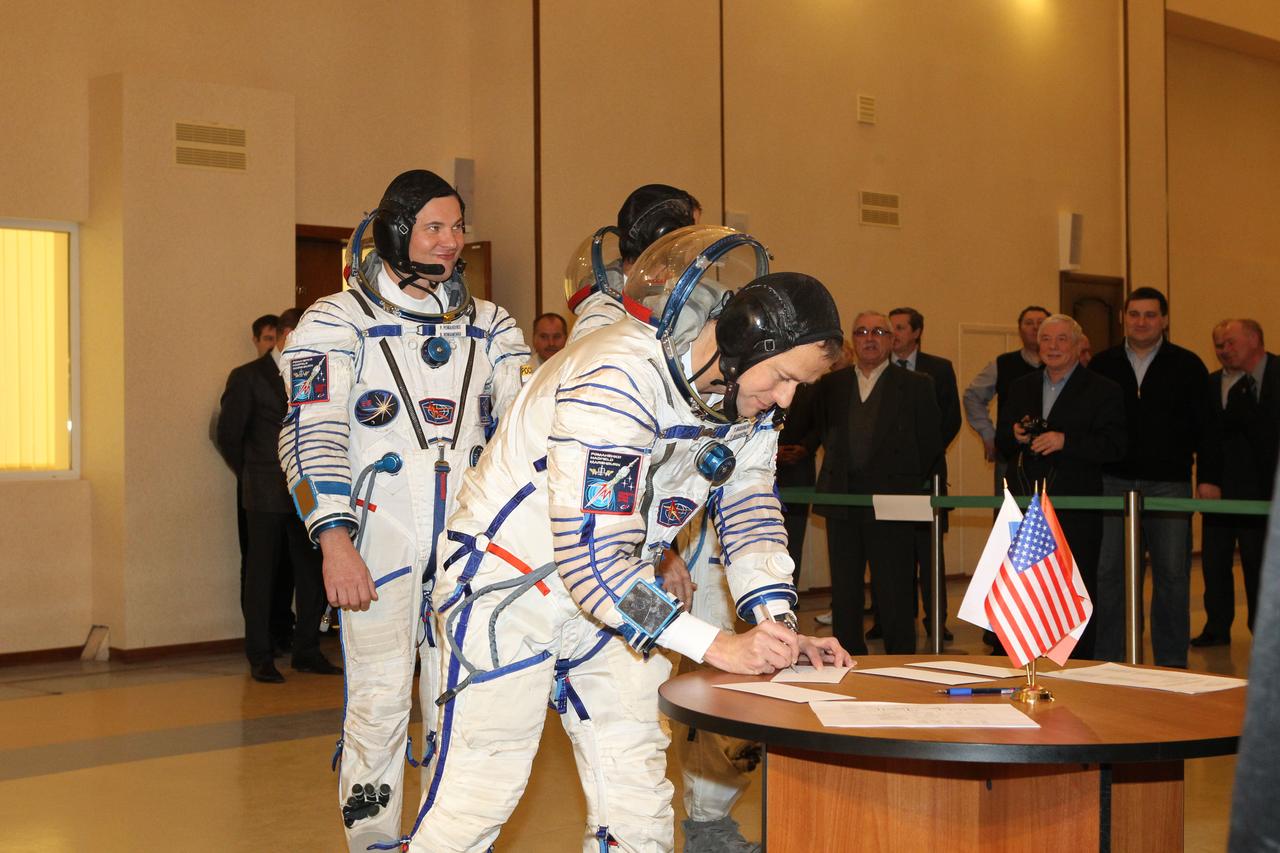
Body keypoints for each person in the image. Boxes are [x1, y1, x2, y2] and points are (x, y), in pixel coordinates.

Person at [409, 226, 852, 853]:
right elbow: (592, 567)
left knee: (638, 800)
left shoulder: (748, 406)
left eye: (798, 388)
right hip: (507, 592)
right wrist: (717, 645)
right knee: (479, 794)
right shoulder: (617, 375)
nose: (784, 398)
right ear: (741, 343)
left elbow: (751, 513)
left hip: (621, 598)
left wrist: (775, 623)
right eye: (781, 377)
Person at [277, 170, 530, 852]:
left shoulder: (492, 327)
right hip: (377, 548)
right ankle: (374, 839)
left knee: (462, 705)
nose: (454, 242)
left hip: (468, 556)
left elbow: (528, 432)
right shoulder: (337, 321)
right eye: (436, 228)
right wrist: (335, 539)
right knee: (379, 704)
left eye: (458, 227)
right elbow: (311, 434)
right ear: (396, 233)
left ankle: (446, 839)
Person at [1089, 288, 1209, 667]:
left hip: (1169, 482)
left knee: (1172, 574)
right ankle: (1109, 660)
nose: (1142, 321)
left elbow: (1208, 429)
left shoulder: (1188, 365)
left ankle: (1172, 664)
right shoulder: (1103, 364)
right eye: (1135, 314)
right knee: (1110, 575)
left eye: (1151, 315)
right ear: (1124, 317)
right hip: (1112, 482)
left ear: (1165, 320)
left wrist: (1208, 477)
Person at [812, 311, 943, 656]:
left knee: (895, 588)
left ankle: (901, 662)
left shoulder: (917, 385)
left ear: (891, 340)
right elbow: (823, 435)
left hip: (894, 504)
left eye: (879, 332)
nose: (870, 338)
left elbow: (931, 442)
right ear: (853, 340)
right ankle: (846, 655)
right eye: (862, 332)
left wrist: (903, 485)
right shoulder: (831, 385)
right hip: (843, 502)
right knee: (845, 589)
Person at [217, 308, 337, 683]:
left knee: (311, 572)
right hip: (266, 490)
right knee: (262, 575)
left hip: (305, 492)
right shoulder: (247, 377)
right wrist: (253, 473)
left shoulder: (312, 372)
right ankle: (260, 654)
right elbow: (229, 437)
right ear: (286, 334)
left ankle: (306, 650)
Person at [996, 314, 1126, 659]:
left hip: (1076, 507)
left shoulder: (1104, 389)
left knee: (1073, 587)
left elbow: (1115, 446)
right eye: (1046, 340)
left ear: (1079, 345)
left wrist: (1066, 441)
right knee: (1024, 587)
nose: (1053, 347)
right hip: (1026, 505)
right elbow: (1000, 443)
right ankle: (1024, 655)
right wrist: (1015, 435)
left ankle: (1078, 659)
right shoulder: (1021, 386)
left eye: (1062, 340)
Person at [1195, 319, 1280, 646]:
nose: (1223, 350)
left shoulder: (1275, 375)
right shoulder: (1212, 383)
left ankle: (1265, 632)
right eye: (1218, 345)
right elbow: (1206, 438)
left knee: (1260, 562)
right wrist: (1206, 479)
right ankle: (1217, 627)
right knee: (1215, 562)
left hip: (1265, 490)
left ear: (1255, 339)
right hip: (1220, 490)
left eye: (1230, 343)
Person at [888, 307, 960, 642]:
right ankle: (890, 617)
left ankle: (936, 621)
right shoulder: (881, 368)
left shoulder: (939, 368)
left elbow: (950, 420)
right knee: (890, 553)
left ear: (916, 332)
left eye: (900, 327)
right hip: (889, 480)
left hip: (927, 477)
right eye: (891, 328)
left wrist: (919, 458)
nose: (894, 333)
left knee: (930, 555)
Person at [963, 305, 1050, 491]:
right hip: (1010, 456)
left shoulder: (1059, 365)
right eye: (1029, 323)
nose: (1035, 328)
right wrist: (988, 434)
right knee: (1008, 516)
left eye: (1040, 323)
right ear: (1020, 330)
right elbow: (972, 396)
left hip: (1053, 458)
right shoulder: (1002, 364)